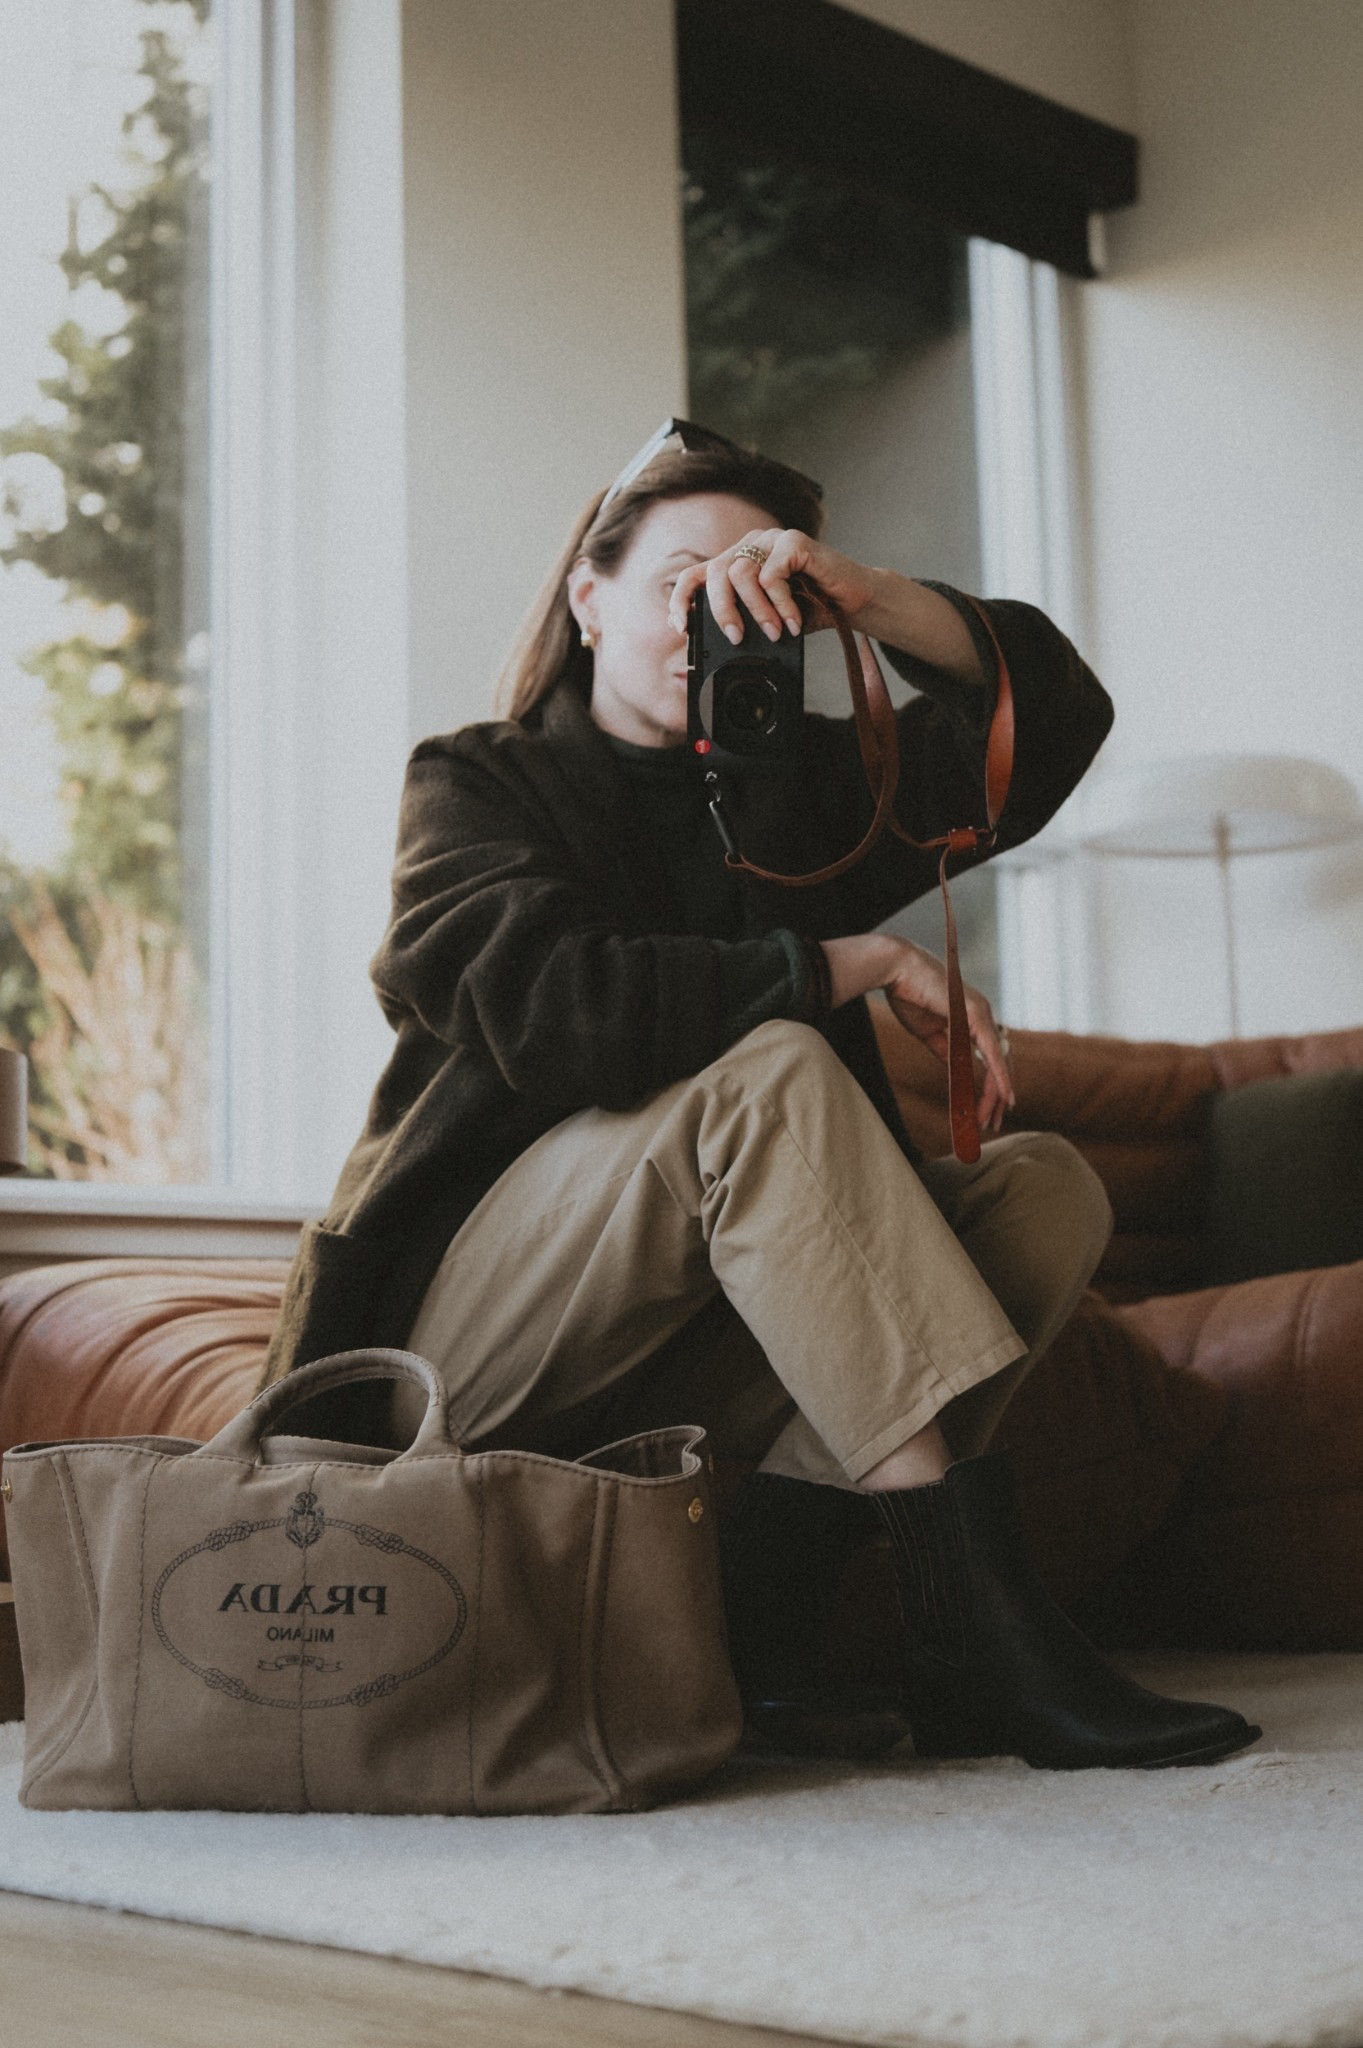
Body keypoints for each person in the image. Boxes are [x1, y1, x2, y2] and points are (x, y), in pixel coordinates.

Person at [260, 423, 1259, 1772]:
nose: (711, 616)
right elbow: (568, 1010)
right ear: (588, 596)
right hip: (462, 1349)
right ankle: (983, 1639)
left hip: (691, 1341)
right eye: (681, 581)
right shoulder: (479, 780)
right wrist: (844, 960)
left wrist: (874, 599)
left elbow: (1053, 725)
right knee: (775, 1065)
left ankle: (770, 1627)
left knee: (1038, 1189)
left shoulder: (788, 799)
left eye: (753, 590)